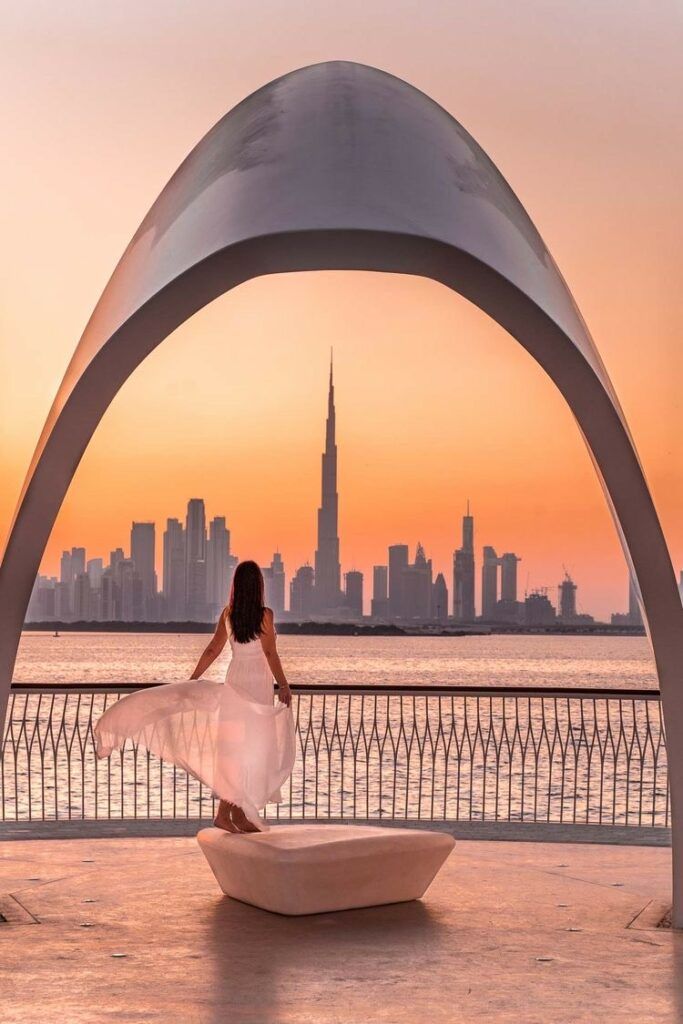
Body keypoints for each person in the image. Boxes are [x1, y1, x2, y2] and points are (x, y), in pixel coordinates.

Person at [94, 560, 295, 833]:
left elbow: (213, 649)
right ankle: (225, 814)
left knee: (234, 751)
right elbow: (270, 654)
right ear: (258, 586)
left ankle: (238, 814)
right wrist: (283, 684)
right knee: (247, 752)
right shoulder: (265, 615)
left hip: (235, 684)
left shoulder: (229, 614)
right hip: (256, 687)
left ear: (237, 586)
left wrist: (193, 678)